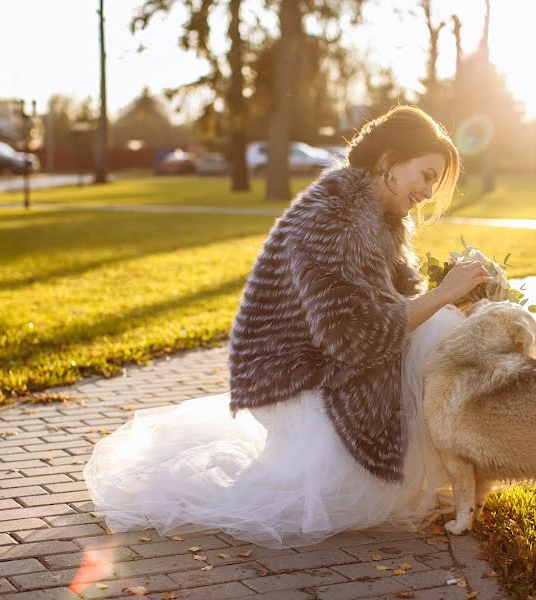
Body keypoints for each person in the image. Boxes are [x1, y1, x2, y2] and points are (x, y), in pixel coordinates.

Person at [84, 106, 494, 548]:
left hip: (326, 356)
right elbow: (354, 337)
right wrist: (442, 295)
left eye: (435, 181)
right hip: (291, 374)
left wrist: (456, 300)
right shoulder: (333, 218)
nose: (429, 193)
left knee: (445, 327)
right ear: (388, 162)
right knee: (339, 493)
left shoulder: (382, 219)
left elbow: (404, 299)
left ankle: (469, 460)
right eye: (427, 175)